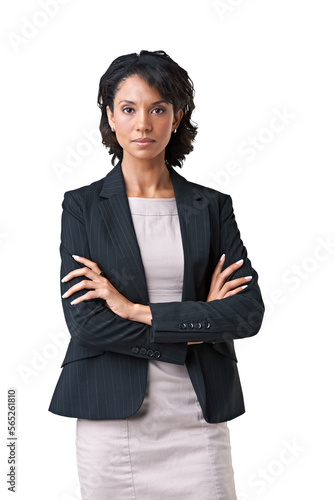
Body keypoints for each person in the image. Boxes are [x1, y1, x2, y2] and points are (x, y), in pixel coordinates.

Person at [49, 50, 265, 500]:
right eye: (128, 109)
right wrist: (197, 324)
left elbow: (247, 313)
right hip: (113, 421)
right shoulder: (83, 206)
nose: (143, 124)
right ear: (110, 116)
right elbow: (86, 322)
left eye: (158, 109)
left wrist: (135, 310)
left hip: (196, 414)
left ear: (177, 116)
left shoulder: (212, 205)